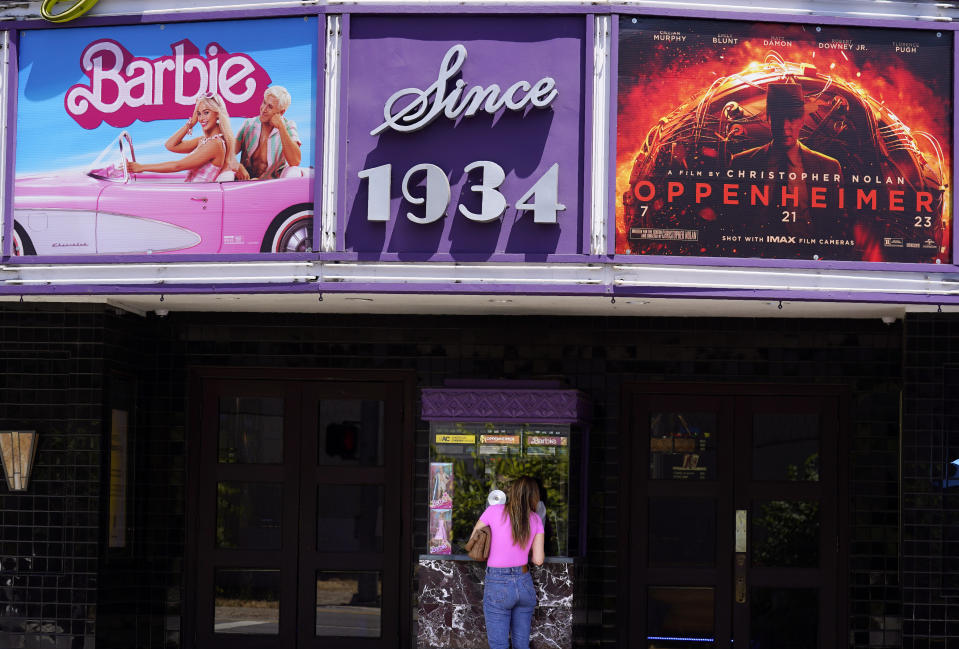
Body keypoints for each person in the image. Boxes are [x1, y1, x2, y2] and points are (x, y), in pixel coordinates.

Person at [730, 82, 842, 229]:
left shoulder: (829, 168)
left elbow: (834, 224)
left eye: (792, 118)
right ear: (768, 119)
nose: (784, 126)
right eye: (778, 118)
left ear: (802, 120)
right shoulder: (741, 164)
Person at [471, 476, 546, 649]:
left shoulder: (494, 511)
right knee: (522, 645)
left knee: (499, 645)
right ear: (534, 497)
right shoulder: (535, 520)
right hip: (524, 583)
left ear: (512, 492)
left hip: (498, 584)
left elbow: (474, 540)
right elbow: (538, 560)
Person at [126, 93, 236, 182]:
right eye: (198, 114)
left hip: (198, 198)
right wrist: (191, 124)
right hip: (191, 194)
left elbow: (177, 166)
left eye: (206, 113)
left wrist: (141, 167)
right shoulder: (203, 141)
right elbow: (170, 145)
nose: (201, 118)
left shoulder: (215, 144)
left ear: (217, 113)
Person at [235, 85, 302, 180]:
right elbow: (228, 152)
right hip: (244, 184)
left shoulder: (288, 126)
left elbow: (295, 161)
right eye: (264, 103)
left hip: (270, 186)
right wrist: (238, 166)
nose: (263, 109)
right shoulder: (249, 124)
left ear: (281, 112)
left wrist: (281, 128)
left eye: (270, 107)